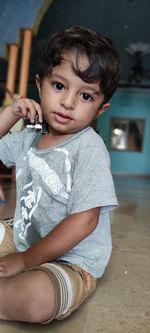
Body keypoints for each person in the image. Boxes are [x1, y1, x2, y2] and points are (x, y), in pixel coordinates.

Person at [0, 26, 119, 324]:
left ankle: (14, 293)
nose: (68, 103)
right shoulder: (29, 137)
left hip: (71, 259)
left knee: (38, 297)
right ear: (39, 85)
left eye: (86, 96)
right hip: (25, 234)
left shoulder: (89, 149)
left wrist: (25, 261)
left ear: (100, 110)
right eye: (59, 86)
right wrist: (11, 113)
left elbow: (85, 221)